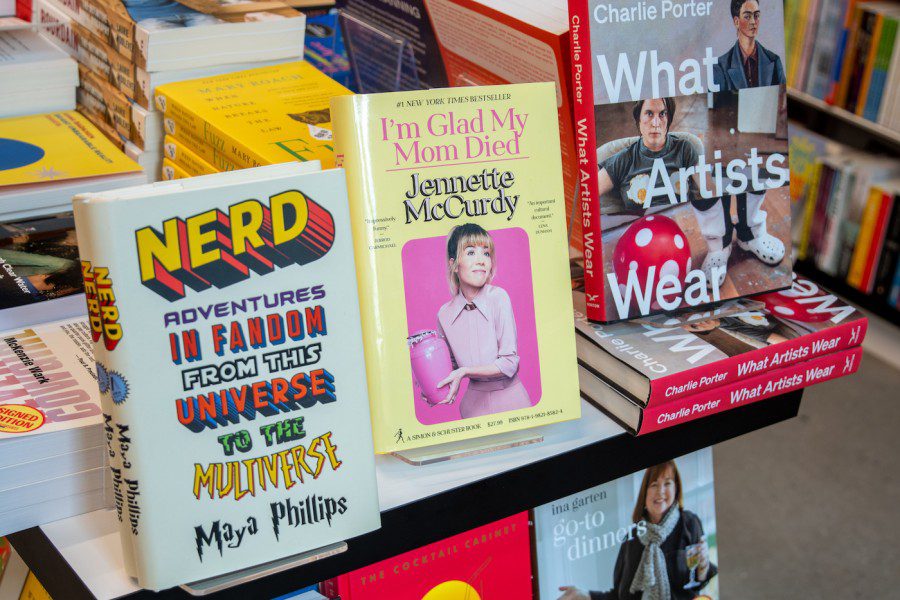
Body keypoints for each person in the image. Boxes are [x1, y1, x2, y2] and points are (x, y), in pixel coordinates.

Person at [695, 0, 787, 287]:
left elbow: (781, 101)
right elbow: (715, 109)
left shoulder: (772, 61)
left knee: (758, 175)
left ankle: (749, 233)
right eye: (747, 15)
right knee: (722, 179)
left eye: (757, 15)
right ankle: (720, 244)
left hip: (759, 133)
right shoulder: (721, 65)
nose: (753, 21)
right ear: (736, 20)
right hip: (728, 134)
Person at [558, 461, 717, 600]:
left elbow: (697, 584)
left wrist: (702, 568)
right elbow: (619, 596)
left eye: (667, 483)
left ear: (676, 488)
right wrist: (585, 595)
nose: (660, 491)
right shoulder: (632, 538)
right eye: (654, 484)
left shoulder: (689, 523)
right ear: (645, 493)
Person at [432, 223, 531, 419]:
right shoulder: (444, 314)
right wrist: (430, 387)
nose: (481, 260)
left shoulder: (498, 297)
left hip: (513, 403)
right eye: (470, 252)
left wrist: (465, 371)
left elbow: (509, 363)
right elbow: (448, 368)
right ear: (453, 263)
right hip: (472, 409)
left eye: (486, 253)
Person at [597, 98, 704, 214]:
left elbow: (709, 190)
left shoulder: (684, 149)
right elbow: (587, 195)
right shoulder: (623, 159)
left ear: (669, 119)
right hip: (639, 228)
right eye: (649, 114)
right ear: (639, 119)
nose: (655, 123)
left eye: (662, 114)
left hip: (680, 223)